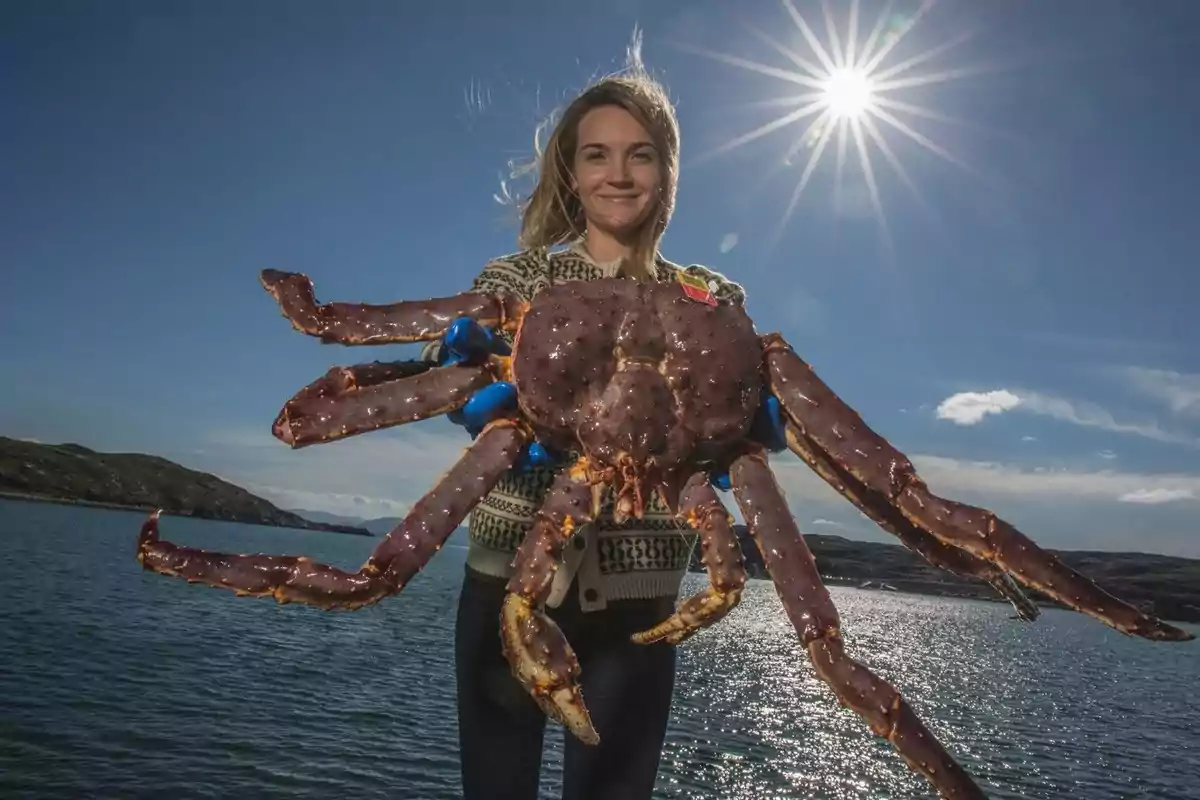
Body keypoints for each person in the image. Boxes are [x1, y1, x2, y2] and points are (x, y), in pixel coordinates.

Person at [431, 50, 757, 800]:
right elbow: (443, 359)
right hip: (507, 575)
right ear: (570, 173)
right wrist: (453, 372)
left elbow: (743, 418)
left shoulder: (711, 296)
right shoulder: (518, 280)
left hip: (641, 605)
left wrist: (748, 422)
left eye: (640, 155)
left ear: (667, 171)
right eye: (597, 155)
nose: (619, 174)